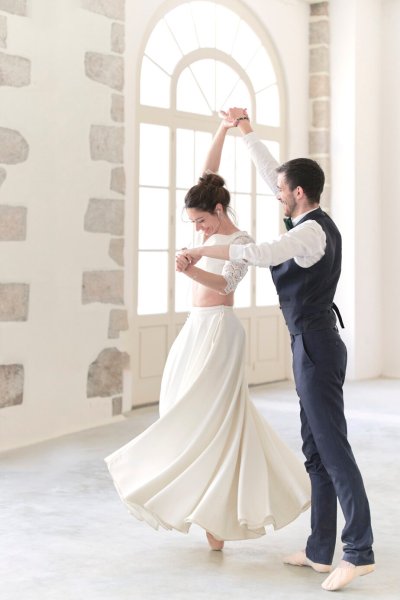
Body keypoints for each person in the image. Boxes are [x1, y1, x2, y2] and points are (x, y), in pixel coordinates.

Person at [182, 108, 375, 590]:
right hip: (307, 344)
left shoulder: (309, 232)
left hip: (317, 345)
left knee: (333, 451)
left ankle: (359, 552)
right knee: (314, 451)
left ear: (299, 194)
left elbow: (262, 253)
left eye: (282, 190)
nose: (276, 192)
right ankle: (319, 550)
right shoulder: (304, 213)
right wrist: (243, 129)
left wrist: (206, 249)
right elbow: (273, 171)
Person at [105, 117, 310, 551]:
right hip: (194, 330)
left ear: (219, 212)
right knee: (182, 409)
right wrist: (223, 130)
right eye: (194, 223)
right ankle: (206, 511)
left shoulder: (239, 239)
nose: (198, 229)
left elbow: (225, 285)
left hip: (220, 330)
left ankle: (217, 521)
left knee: (213, 419)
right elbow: (207, 173)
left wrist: (191, 267)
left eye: (201, 221)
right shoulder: (208, 220)